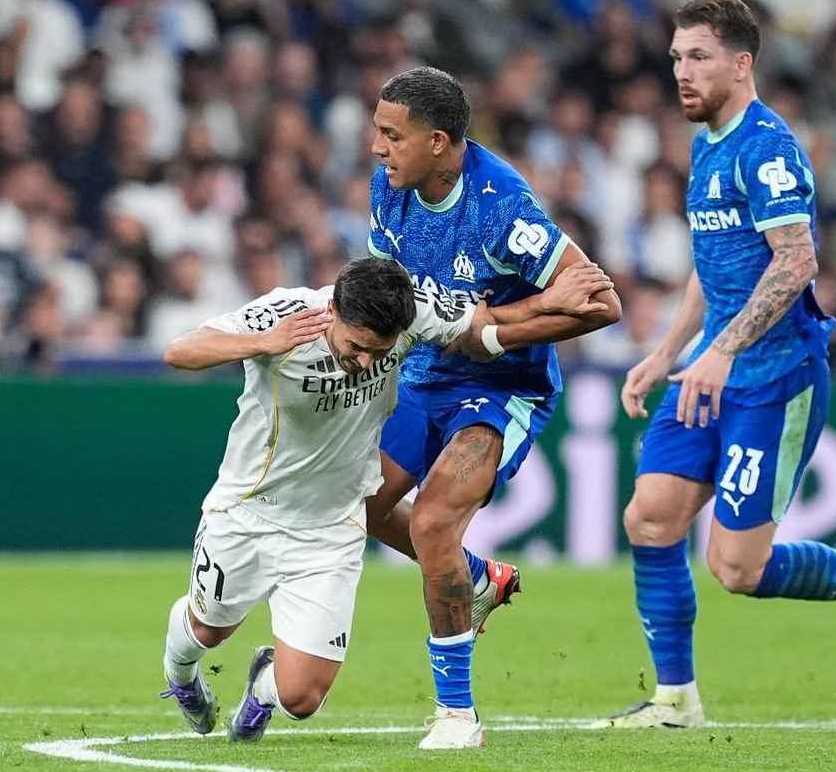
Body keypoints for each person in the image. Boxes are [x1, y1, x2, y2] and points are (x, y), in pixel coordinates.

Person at [598, 0, 836, 729]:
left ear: (741, 63)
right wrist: (666, 351)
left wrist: (721, 351)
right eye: (676, 58)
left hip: (774, 377)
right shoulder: (706, 142)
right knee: (650, 518)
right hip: (709, 370)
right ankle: (675, 700)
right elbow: (714, 264)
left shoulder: (768, 148)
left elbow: (796, 261)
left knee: (737, 568)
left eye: (698, 57)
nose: (681, 72)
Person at [157, 254, 613, 741]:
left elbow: (483, 323)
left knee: (301, 699)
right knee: (208, 630)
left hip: (332, 528)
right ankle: (180, 676)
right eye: (356, 347)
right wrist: (263, 343)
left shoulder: (412, 310)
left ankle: (261, 690)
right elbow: (180, 352)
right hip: (248, 513)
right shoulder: (287, 312)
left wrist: (548, 301)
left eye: (380, 351)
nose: (366, 363)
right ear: (333, 311)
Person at [360, 67, 624, 749]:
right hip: (424, 374)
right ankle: (476, 580)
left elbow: (602, 302)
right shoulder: (389, 191)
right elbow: (396, 296)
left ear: (438, 142)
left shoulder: (501, 207)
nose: (378, 147)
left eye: (392, 135)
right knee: (360, 505)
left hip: (504, 386)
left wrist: (497, 334)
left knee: (435, 519)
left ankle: (456, 715)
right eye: (378, 131)